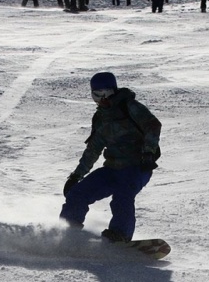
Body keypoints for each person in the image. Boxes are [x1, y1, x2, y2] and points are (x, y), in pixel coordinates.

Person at [59, 72, 161, 243]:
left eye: (105, 93)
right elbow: (93, 149)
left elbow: (153, 125)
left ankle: (119, 235)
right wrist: (76, 175)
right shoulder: (100, 118)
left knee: (123, 196)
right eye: (96, 95)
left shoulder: (130, 107)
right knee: (77, 194)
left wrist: (149, 152)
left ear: (114, 90)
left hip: (137, 167)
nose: (102, 99)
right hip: (112, 169)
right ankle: (69, 232)